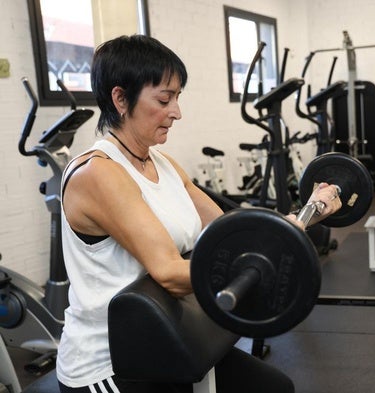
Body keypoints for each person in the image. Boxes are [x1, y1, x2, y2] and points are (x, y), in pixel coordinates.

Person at [56, 34, 342, 393]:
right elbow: (170, 273)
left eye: (177, 97)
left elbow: (233, 230)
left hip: (169, 336)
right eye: (165, 98)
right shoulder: (98, 173)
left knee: (274, 388)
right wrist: (251, 267)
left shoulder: (162, 162)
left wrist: (311, 210)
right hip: (111, 363)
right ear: (120, 98)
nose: (176, 111)